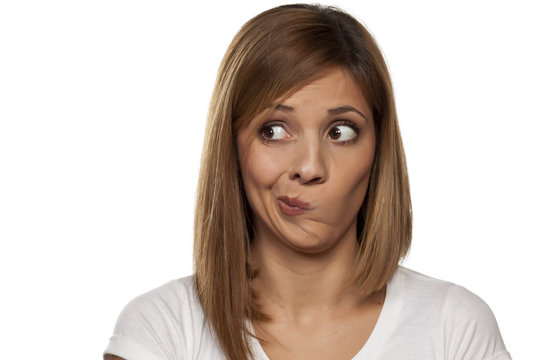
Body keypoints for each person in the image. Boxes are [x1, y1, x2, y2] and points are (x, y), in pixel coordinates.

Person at [104, 4, 510, 360]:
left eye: (341, 132)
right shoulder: (162, 329)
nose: (310, 167)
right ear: (231, 145)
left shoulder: (454, 328)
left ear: (378, 149)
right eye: (275, 131)